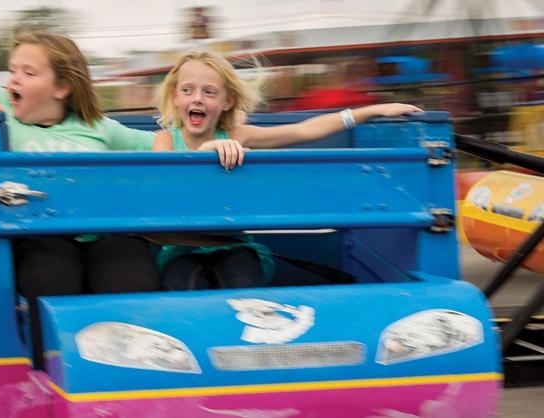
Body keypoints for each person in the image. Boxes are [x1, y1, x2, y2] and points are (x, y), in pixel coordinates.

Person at [0, 31, 159, 369]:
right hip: (42, 235)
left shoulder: (98, 127)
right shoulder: (3, 105)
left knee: (130, 274)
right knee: (49, 276)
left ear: (61, 87)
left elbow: (161, 145)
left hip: (100, 234)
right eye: (12, 70)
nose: (13, 80)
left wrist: (213, 143)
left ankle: (128, 375)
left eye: (28, 73)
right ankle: (48, 369)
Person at [152, 50, 422, 290]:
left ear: (227, 101)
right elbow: (167, 188)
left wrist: (373, 110)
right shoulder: (165, 139)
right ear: (175, 97)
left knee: (241, 284)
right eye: (188, 90)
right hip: (181, 248)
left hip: (232, 245)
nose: (197, 99)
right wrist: (205, 154)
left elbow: (305, 130)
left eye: (209, 92)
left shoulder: (237, 135)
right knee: (180, 285)